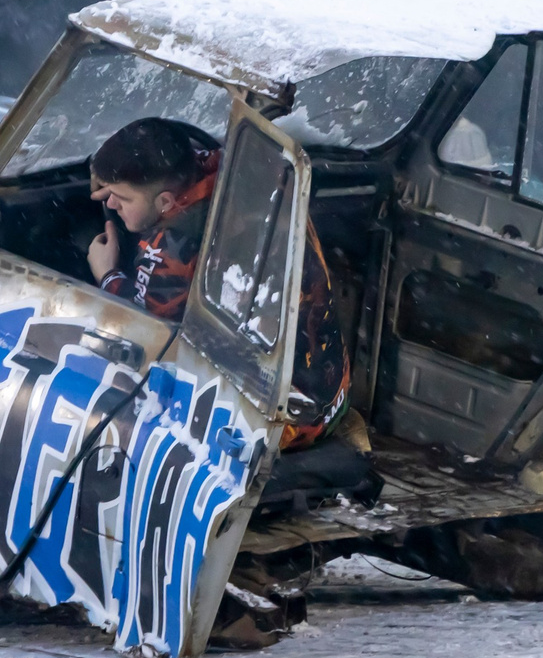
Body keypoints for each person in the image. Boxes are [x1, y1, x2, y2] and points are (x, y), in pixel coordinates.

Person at [85, 118, 349, 448]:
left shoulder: (173, 254)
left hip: (277, 427)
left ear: (166, 202)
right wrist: (115, 175)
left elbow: (142, 334)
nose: (110, 204)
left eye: (122, 198)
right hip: (328, 391)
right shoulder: (238, 171)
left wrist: (107, 274)